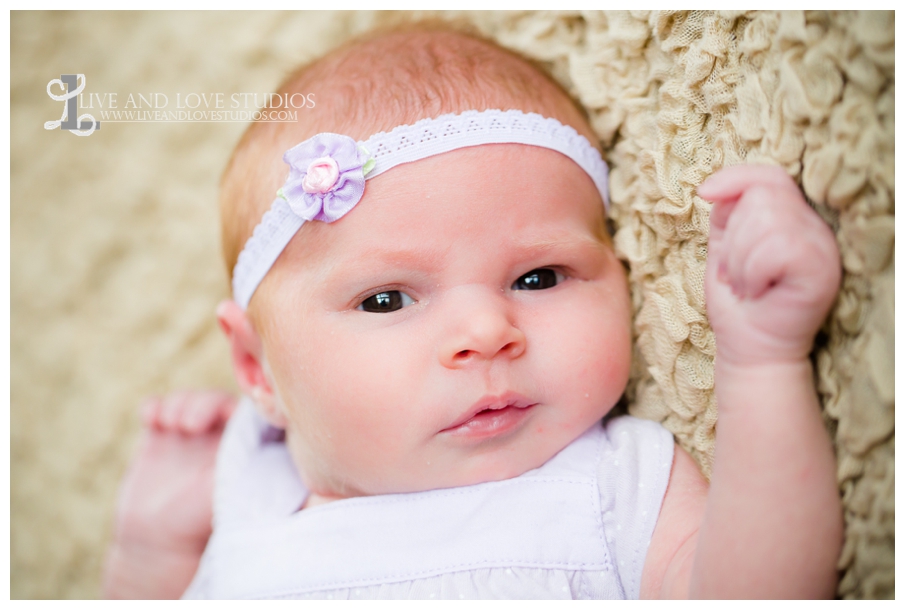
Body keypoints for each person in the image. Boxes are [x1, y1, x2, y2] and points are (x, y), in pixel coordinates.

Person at [103, 24, 843, 599]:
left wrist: (761, 361)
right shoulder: (247, 501)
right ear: (254, 367)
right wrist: (150, 553)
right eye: (386, 298)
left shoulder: (609, 484)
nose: (486, 332)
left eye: (538, 277)